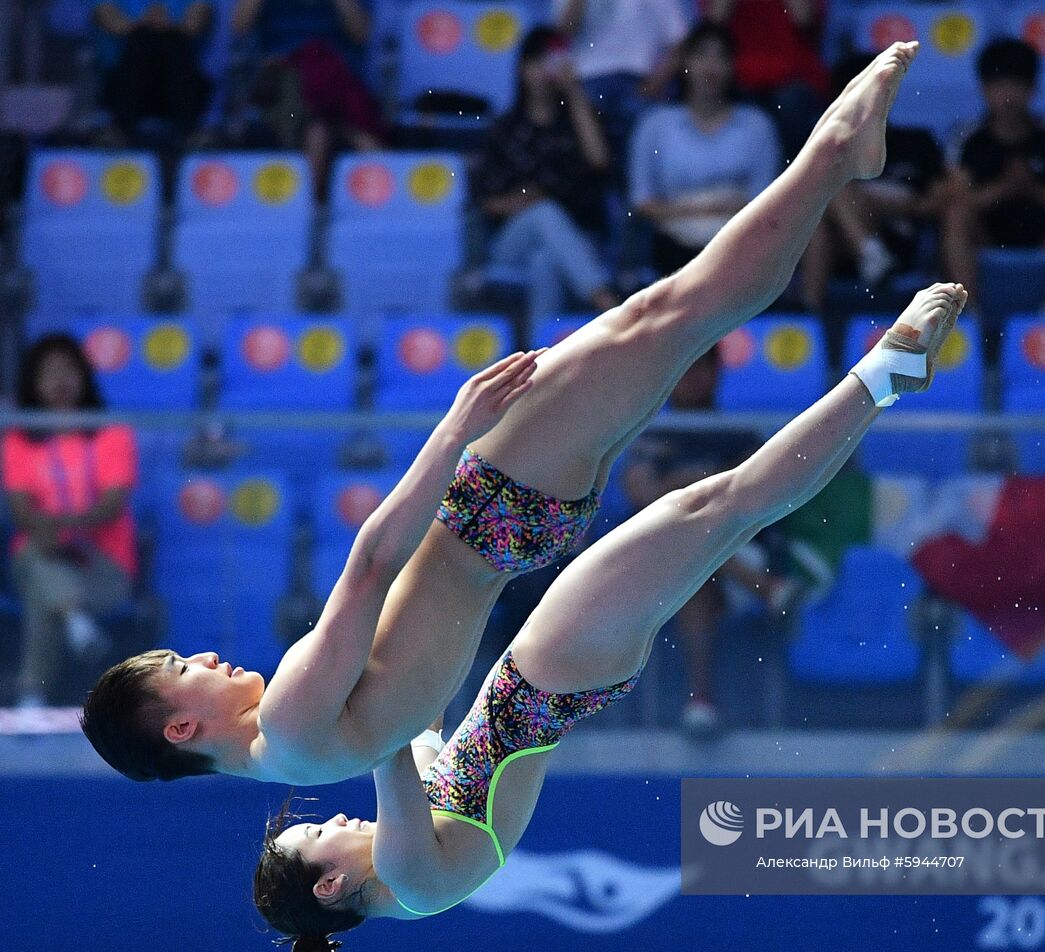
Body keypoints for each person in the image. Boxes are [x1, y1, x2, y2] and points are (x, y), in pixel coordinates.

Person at [80, 43, 924, 788]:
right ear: (180, 726)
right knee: (669, 315)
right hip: (486, 511)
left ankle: (868, 303)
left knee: (683, 349)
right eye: (183, 668)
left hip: (516, 538)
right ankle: (836, 156)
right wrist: (454, 430)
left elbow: (418, 722)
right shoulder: (292, 722)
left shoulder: (302, 761)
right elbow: (373, 561)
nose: (205, 657)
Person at [253, 281, 966, 952]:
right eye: (318, 835)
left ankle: (868, 371)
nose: (335, 821)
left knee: (722, 507)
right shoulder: (408, 879)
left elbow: (417, 714)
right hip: (552, 671)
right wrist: (312, 722)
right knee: (721, 506)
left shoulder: (413, 878)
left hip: (557, 672)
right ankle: (882, 375)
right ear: (329, 886)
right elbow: (385, 742)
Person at [621, 350, 774, 733]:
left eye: (700, 368)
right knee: (690, 562)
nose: (691, 378)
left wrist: (680, 485)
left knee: (693, 564)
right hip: (662, 570)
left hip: (737, 552)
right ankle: (771, 591)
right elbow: (641, 492)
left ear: (714, 374)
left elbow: (755, 497)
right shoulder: (653, 438)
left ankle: (701, 698)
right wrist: (709, 483)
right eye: (684, 368)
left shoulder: (742, 435)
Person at [3, 336, 138, 708]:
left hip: (102, 566)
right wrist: (48, 533)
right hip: (39, 555)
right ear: (33, 382)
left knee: (42, 594)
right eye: (49, 373)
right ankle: (74, 619)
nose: (59, 380)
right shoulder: (18, 440)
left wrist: (59, 527)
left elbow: (111, 505)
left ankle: (32, 694)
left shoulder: (112, 434)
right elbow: (21, 511)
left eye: (68, 370)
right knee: (36, 560)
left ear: (85, 377)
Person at [473, 27, 620, 335]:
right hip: (512, 241)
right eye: (536, 63)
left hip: (579, 239)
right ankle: (606, 303)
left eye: (551, 62)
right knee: (544, 213)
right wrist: (525, 201)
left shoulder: (577, 122)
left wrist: (575, 92)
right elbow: (486, 203)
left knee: (545, 263)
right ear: (521, 68)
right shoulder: (503, 129)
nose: (543, 72)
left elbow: (599, 160)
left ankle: (538, 362)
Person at [946, 38, 1045, 313]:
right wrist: (1003, 189)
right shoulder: (968, 137)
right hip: (987, 235)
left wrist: (1031, 188)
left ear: (1033, 88)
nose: (1008, 96)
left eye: (1017, 85)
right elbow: (958, 200)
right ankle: (967, 312)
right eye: (999, 86)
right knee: (955, 217)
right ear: (984, 89)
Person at [800, 55, 951, 313]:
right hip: (841, 249)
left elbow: (943, 201)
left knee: (835, 190)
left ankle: (872, 256)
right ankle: (810, 320)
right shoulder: (825, 147)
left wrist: (888, 206)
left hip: (902, 239)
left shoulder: (917, 142)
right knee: (822, 216)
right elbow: (801, 205)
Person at [628, 22, 781, 278]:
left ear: (733, 66)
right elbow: (642, 201)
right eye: (701, 55)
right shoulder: (654, 124)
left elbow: (766, 199)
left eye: (720, 56)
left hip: (739, 239)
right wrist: (700, 212)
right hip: (672, 241)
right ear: (685, 63)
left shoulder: (757, 125)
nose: (710, 66)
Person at [230, 0, 385, 197]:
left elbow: (362, 33)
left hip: (332, 74)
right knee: (322, 124)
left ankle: (306, 205)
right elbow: (239, 26)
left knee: (321, 120)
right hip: (283, 73)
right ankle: (309, 204)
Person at [553, 0, 688, 177]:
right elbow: (563, 32)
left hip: (638, 83)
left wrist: (655, 84)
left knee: (641, 162)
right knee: (580, 161)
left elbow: (679, 41)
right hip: (586, 84)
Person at [702, 0, 829, 158]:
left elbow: (802, 18)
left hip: (791, 76)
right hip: (739, 76)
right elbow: (714, 23)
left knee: (790, 104)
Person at [94, 0, 213, 145]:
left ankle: (190, 131)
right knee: (141, 40)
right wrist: (147, 24)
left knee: (173, 43)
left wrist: (163, 27)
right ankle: (119, 129)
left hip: (178, 77)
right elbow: (111, 21)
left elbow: (194, 24)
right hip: (126, 77)